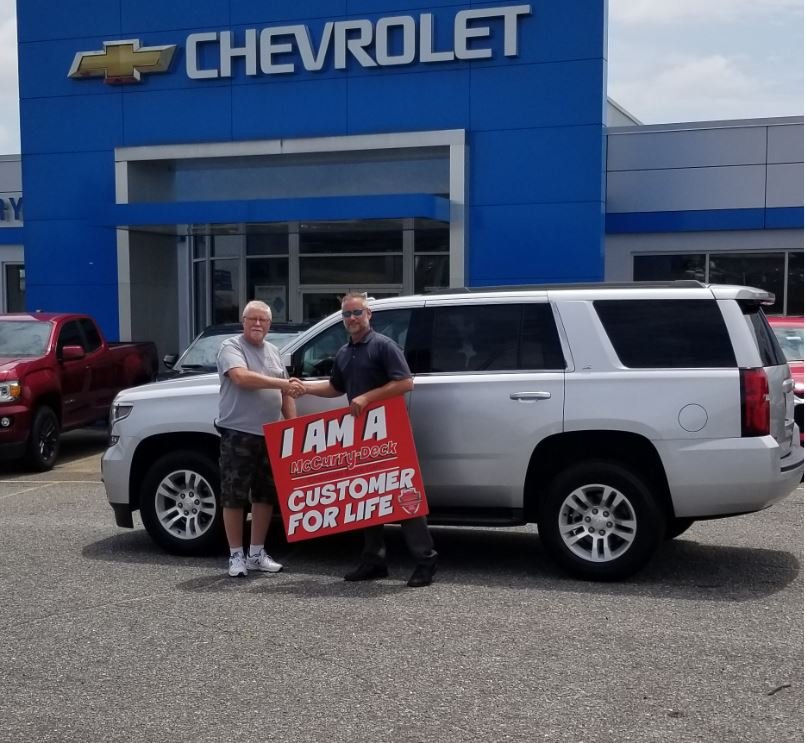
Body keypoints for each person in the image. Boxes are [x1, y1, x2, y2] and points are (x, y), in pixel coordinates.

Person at [291, 292, 438, 588]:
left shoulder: (383, 346)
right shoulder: (344, 353)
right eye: (347, 314)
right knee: (366, 499)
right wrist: (304, 389)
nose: (352, 319)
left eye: (357, 312)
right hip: (362, 436)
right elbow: (335, 387)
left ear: (368, 314)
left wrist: (368, 397)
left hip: (390, 433)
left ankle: (426, 560)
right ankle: (374, 561)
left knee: (403, 497)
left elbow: (405, 381)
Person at [216, 300, 296, 578]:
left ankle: (256, 553)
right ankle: (235, 556)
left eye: (263, 320)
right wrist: (282, 383)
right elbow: (241, 378)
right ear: (243, 321)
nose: (258, 324)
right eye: (253, 319)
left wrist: (293, 427)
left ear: (270, 325)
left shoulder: (274, 352)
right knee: (234, 497)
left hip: (270, 435)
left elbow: (285, 394)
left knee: (265, 496)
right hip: (238, 433)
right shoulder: (231, 347)